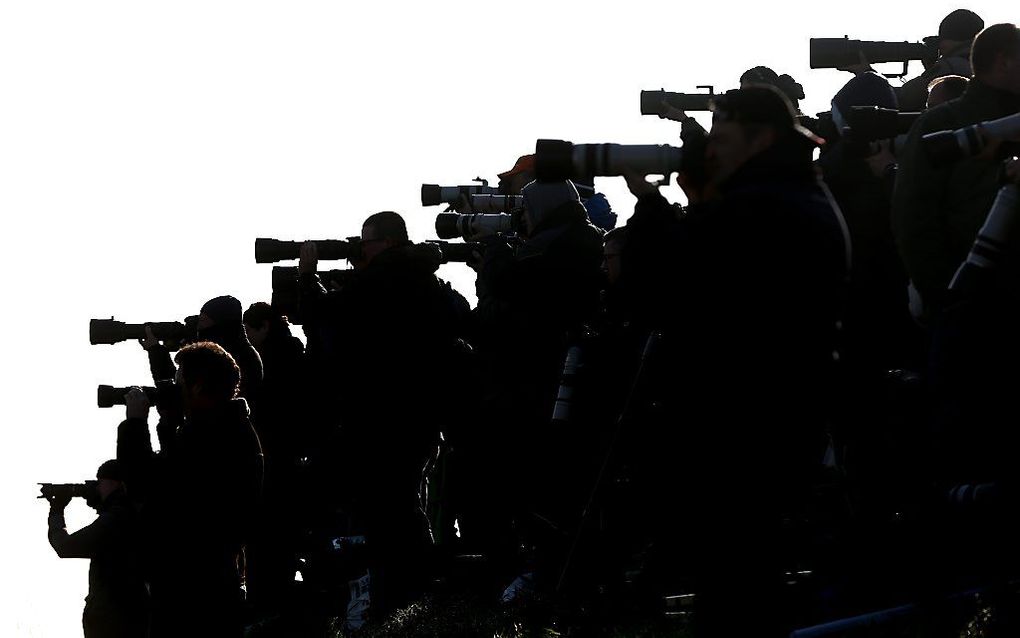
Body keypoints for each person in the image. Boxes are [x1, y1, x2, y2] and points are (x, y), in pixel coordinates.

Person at [622, 85, 849, 637]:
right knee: (745, 564)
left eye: (721, 137)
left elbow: (662, 291)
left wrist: (654, 211)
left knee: (737, 572)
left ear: (760, 137)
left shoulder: (758, 204)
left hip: (745, 409)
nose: (709, 148)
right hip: (775, 401)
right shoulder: (792, 191)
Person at [298, 211, 471, 616]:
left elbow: (324, 323)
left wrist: (308, 277)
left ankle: (409, 592)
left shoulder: (379, 283)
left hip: (382, 415)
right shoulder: (423, 280)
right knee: (402, 500)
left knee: (386, 506)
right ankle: (420, 589)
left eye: (366, 241)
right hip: (422, 414)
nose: (360, 249)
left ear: (388, 242)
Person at [469, 179, 604, 594]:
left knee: (526, 492)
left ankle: (536, 579)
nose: (520, 217)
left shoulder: (552, 248)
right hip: (552, 381)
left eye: (525, 208)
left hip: (533, 386)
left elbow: (510, 292)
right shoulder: (580, 240)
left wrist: (492, 249)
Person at [117, 342, 264, 638]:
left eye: (179, 380)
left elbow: (145, 484)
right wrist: (171, 422)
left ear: (197, 386)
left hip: (190, 587)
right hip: (213, 579)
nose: (174, 387)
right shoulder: (229, 429)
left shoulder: (207, 437)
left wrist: (134, 424)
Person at [892, 23, 1020, 319]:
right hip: (973, 301)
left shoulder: (945, 123)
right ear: (1004, 61)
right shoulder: (941, 124)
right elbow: (913, 217)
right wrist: (946, 296)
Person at [46, 460, 148, 638]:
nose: (96, 487)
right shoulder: (134, 512)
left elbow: (65, 547)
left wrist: (56, 512)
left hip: (113, 619)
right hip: (131, 615)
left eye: (100, 481)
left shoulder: (117, 518)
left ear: (117, 483)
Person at [897, 9, 984, 111]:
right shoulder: (987, 63)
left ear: (947, 41)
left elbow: (908, 94)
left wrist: (930, 72)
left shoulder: (951, 65)